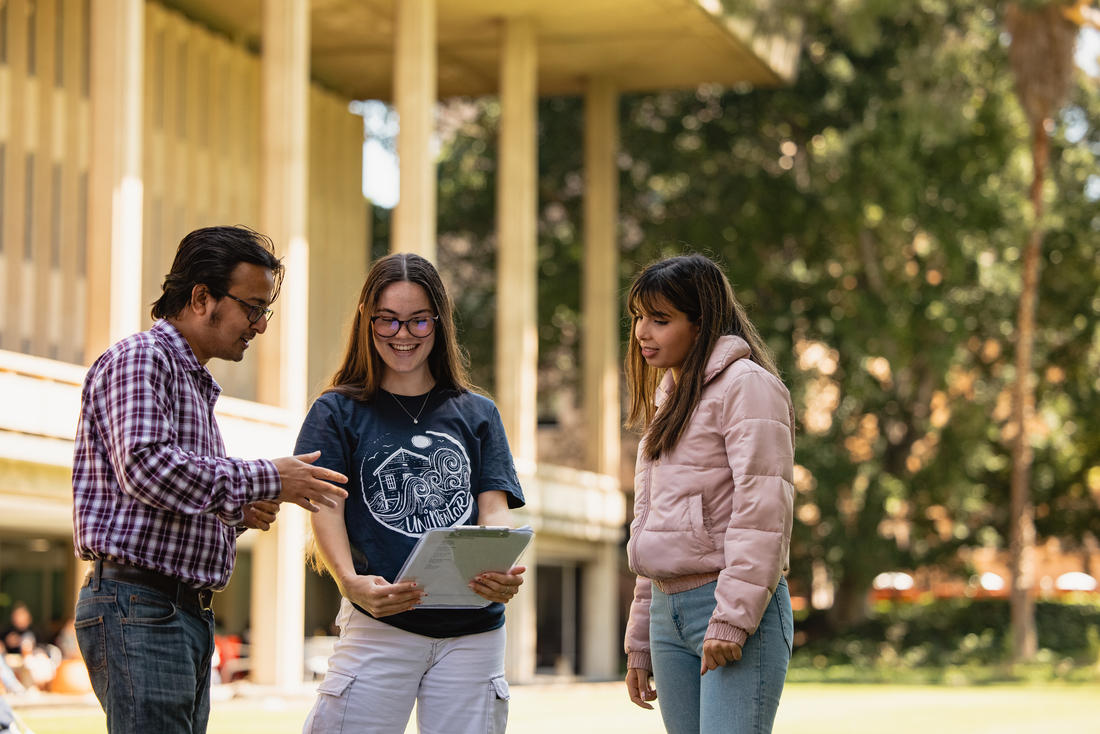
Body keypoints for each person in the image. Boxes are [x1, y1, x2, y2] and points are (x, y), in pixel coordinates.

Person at [72, 226, 349, 734]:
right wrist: (267, 477)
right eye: (252, 307)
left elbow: (161, 502)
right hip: (143, 607)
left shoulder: (192, 382)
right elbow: (145, 467)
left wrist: (234, 514)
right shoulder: (142, 359)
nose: (261, 325)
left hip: (174, 611)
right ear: (201, 297)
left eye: (264, 311)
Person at [298, 253, 525, 734]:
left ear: (438, 322)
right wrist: (347, 581)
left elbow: (493, 508)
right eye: (389, 320)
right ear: (368, 320)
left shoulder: (478, 413)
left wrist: (499, 568)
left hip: (473, 633)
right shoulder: (336, 411)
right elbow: (326, 508)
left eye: (419, 321)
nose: (404, 335)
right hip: (379, 623)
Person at [622, 254, 796, 734]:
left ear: (701, 325)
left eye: (660, 319)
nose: (642, 332)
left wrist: (733, 618)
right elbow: (653, 527)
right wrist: (640, 638)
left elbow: (764, 511)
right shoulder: (669, 400)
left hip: (728, 605)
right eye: (638, 317)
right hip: (666, 615)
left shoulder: (748, 387)